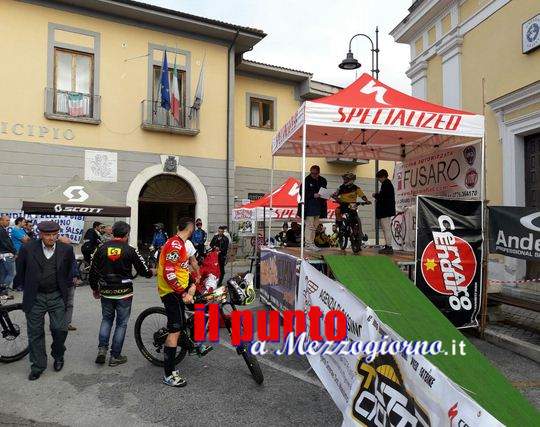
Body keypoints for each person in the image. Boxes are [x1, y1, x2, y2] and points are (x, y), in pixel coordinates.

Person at [13, 221, 75, 381]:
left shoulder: (66, 249)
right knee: (35, 333)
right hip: (35, 297)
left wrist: (67, 287)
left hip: (56, 295)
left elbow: (70, 270)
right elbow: (20, 269)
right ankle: (37, 366)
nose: (51, 238)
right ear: (40, 234)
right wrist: (19, 286)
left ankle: (58, 355)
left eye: (54, 234)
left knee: (60, 329)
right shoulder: (27, 248)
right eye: (48, 235)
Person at [157, 217, 212, 388]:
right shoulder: (174, 244)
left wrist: (193, 284)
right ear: (190, 228)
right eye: (195, 228)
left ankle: (195, 341)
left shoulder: (183, 244)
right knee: (175, 331)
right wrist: (183, 293)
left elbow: (183, 267)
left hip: (181, 287)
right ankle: (168, 374)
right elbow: (168, 272)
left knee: (204, 306)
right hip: (171, 292)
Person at [89, 221, 153, 366]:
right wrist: (151, 272)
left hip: (106, 290)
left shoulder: (101, 248)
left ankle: (102, 351)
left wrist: (95, 288)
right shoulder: (130, 249)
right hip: (124, 292)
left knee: (106, 320)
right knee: (121, 324)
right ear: (126, 235)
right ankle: (115, 356)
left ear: (113, 233)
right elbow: (143, 270)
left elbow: (93, 271)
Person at [333, 173, 371, 251]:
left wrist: (366, 200)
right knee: (337, 210)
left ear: (351, 180)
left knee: (355, 219)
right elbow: (335, 194)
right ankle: (339, 224)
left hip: (352, 205)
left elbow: (362, 195)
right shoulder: (341, 187)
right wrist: (336, 198)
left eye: (346, 179)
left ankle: (359, 234)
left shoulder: (356, 188)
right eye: (344, 179)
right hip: (343, 204)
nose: (344, 180)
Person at [299, 165, 328, 251]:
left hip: (319, 205)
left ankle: (312, 243)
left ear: (318, 173)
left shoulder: (323, 180)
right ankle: (308, 244)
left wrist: (326, 194)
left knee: (315, 226)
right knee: (309, 225)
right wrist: (312, 195)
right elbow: (302, 192)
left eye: (315, 173)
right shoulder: (306, 180)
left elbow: (324, 191)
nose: (313, 175)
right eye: (312, 173)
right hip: (309, 206)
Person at [57, 235, 80, 331]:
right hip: (58, 282)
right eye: (67, 244)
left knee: (69, 303)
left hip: (69, 282)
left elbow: (74, 264)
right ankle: (56, 324)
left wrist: (76, 276)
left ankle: (66, 323)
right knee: (58, 304)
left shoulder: (70, 251)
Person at [373, 169, 396, 255]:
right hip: (386, 211)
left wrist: (375, 195)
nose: (378, 180)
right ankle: (387, 245)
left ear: (383, 177)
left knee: (386, 229)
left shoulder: (386, 184)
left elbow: (383, 197)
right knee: (385, 229)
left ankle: (389, 246)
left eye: (379, 178)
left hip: (385, 211)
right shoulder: (387, 184)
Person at [0, 214, 16, 296]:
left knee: (3, 274)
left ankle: (1, 292)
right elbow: (7, 244)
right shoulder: (2, 230)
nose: (8, 222)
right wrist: (14, 252)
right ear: (1, 221)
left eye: (9, 220)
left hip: (2, 255)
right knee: (11, 274)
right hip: (7, 254)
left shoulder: (2, 229)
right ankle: (3, 291)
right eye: (7, 220)